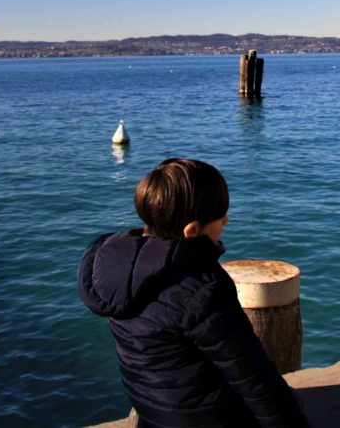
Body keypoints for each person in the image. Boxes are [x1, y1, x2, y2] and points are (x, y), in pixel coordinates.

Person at [77, 158, 308, 428]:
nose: (226, 221)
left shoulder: (113, 269)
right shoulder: (201, 288)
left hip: (153, 413)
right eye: (220, 219)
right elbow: (252, 377)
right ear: (192, 231)